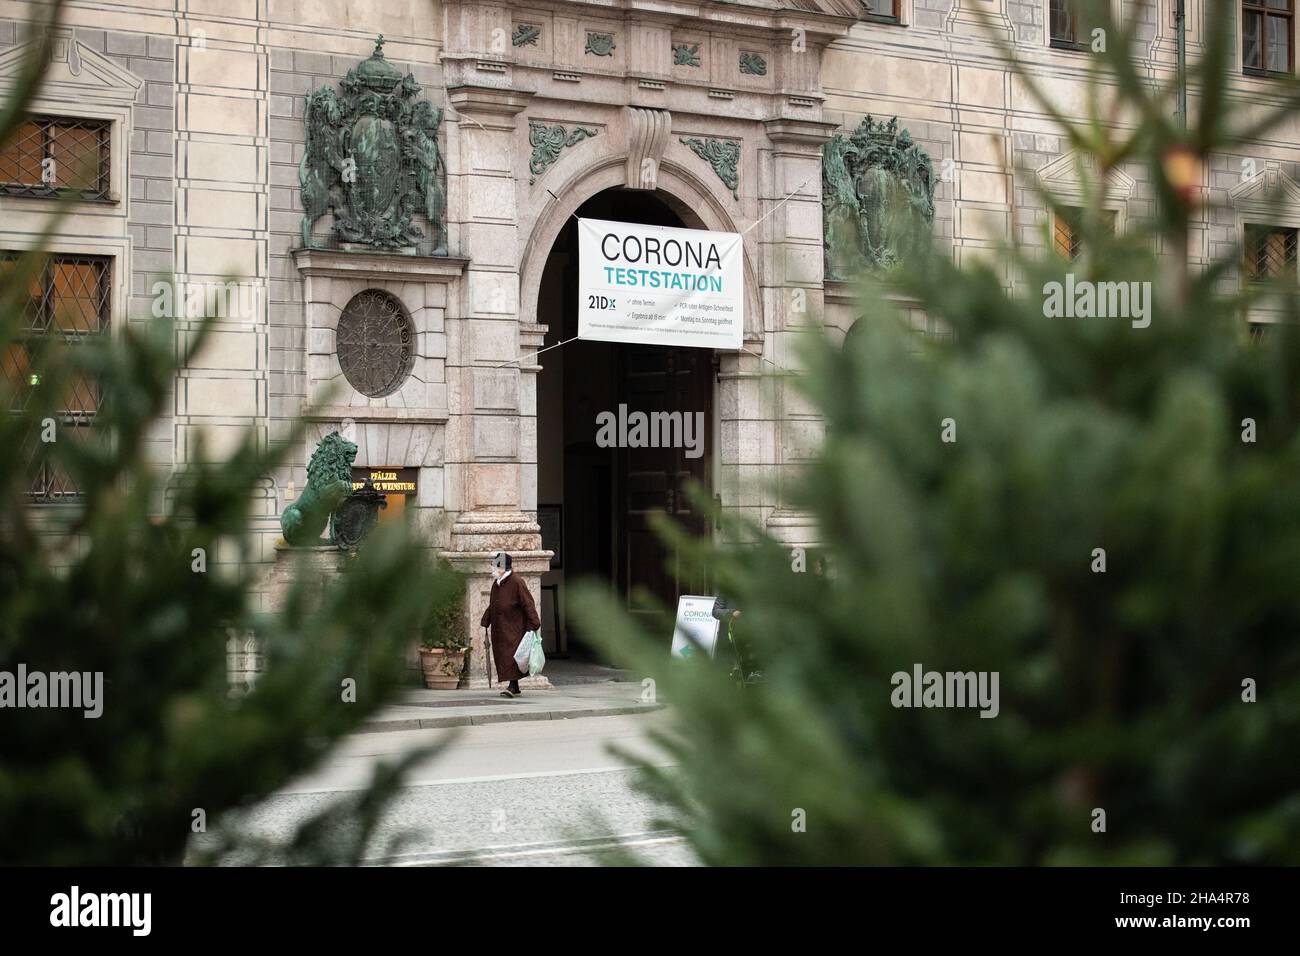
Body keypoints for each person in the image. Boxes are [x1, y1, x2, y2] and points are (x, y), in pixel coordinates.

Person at [479, 551, 540, 699]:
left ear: (502, 567)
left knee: (512, 655)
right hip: (501, 627)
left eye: (495, 566)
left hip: (514, 627)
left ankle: (512, 686)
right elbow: (493, 604)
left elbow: (528, 604)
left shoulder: (517, 582)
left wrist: (534, 623)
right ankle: (515, 686)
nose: (493, 570)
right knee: (504, 655)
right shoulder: (497, 583)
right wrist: (486, 619)